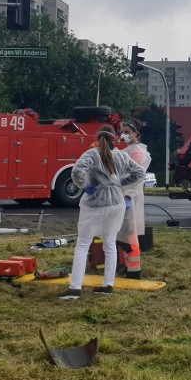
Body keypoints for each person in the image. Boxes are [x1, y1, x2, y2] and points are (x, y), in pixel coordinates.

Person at [60, 125, 145, 300]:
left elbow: (76, 171)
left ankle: (75, 289)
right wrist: (121, 184)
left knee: (83, 244)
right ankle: (108, 285)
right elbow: (139, 172)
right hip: (116, 204)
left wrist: (84, 186)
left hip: (94, 204)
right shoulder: (122, 155)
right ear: (114, 138)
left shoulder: (92, 154)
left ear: (98, 138)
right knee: (110, 244)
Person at [118, 118, 151, 279]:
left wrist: (120, 187)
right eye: (121, 132)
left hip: (130, 196)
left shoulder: (136, 152)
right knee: (124, 233)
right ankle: (127, 266)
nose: (123, 135)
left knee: (129, 233)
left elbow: (136, 176)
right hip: (125, 195)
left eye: (126, 132)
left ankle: (134, 270)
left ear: (135, 133)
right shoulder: (129, 150)